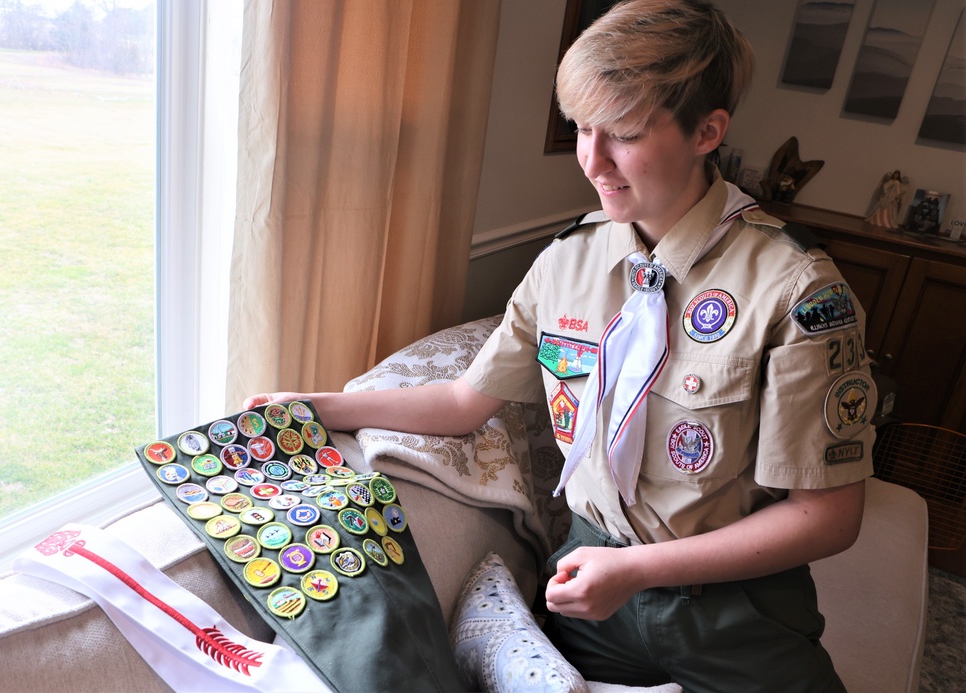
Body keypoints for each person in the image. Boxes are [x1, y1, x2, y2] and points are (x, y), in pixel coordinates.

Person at [245, 1, 876, 690]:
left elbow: (828, 518)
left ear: (708, 131)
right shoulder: (566, 262)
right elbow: (464, 401)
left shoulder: (798, 288)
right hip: (585, 584)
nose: (592, 159)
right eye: (581, 128)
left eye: (625, 133)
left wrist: (637, 570)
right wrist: (318, 404)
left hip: (731, 606)